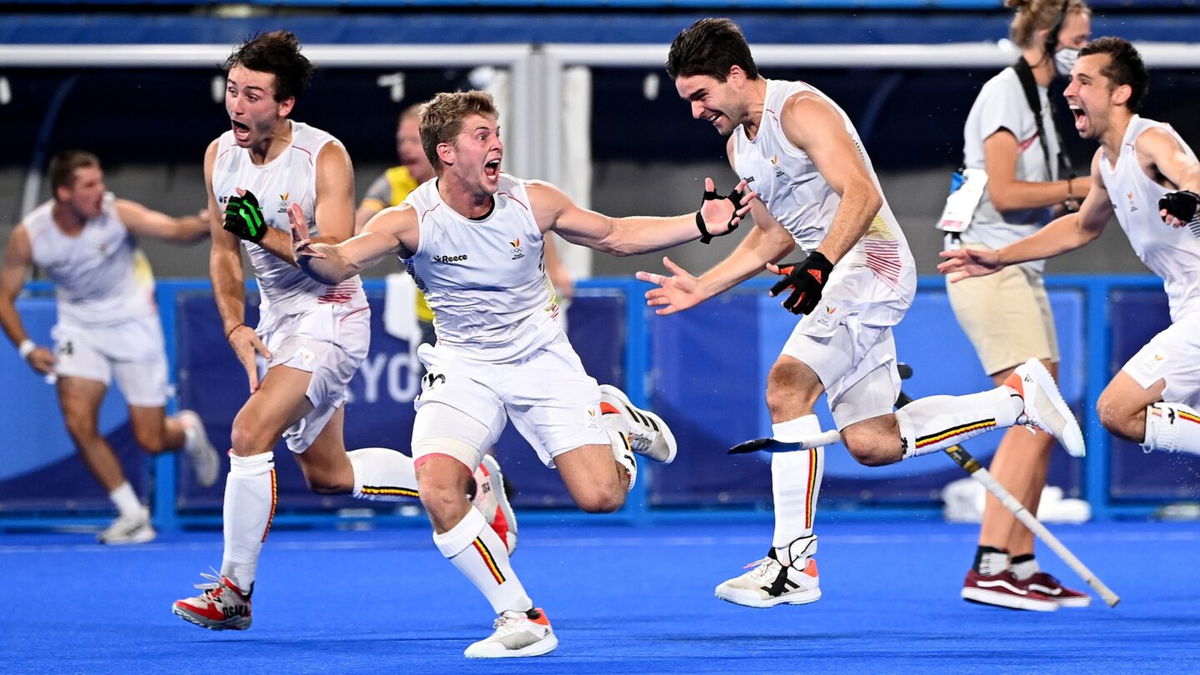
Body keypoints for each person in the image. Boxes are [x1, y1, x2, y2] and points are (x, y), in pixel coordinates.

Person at [639, 17, 1085, 610]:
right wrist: (704, 286)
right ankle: (1016, 402)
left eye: (701, 96)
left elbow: (863, 194)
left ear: (737, 75)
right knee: (872, 443)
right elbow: (771, 239)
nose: (695, 111)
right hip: (838, 279)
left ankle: (791, 562)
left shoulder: (799, 110)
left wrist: (820, 262)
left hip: (871, 265)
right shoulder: (738, 145)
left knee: (786, 388)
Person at [290, 90, 749, 658]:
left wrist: (699, 223)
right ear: (446, 152)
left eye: (496, 132)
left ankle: (615, 424)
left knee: (602, 498)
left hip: (542, 364)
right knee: (437, 488)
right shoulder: (409, 220)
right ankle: (520, 615)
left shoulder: (532, 202)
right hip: (462, 367)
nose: (497, 144)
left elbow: (613, 234)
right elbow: (343, 258)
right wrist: (309, 253)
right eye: (481, 136)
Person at [169, 32, 515, 633]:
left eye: (253, 94)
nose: (237, 106)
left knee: (249, 432)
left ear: (285, 104)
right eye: (232, 91)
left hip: (331, 312)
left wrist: (264, 233)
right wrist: (233, 323)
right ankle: (469, 479)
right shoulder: (218, 156)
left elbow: (332, 254)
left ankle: (233, 591)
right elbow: (225, 253)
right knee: (329, 476)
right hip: (277, 320)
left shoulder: (324, 157)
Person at [941, 39, 1200, 481]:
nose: (1068, 90)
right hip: (1186, 308)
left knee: (1118, 409)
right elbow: (1082, 226)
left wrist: (1189, 196)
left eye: (1085, 80)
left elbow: (1189, 171)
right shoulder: (1105, 163)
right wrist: (1000, 257)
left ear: (1120, 93)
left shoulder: (1150, 138)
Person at [940, 0, 1093, 611]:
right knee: (1031, 411)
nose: (1086, 52)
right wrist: (1090, 185)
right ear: (1048, 37)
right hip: (988, 267)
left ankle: (1022, 564)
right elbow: (1004, 194)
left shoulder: (1041, 104)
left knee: (1044, 418)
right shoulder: (1007, 91)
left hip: (1021, 269)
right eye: (1079, 40)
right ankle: (990, 566)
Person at [0, 150, 219, 545]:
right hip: (79, 330)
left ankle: (185, 432)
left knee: (150, 440)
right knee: (78, 422)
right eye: (89, 185)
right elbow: (4, 297)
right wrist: (27, 348)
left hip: (135, 325)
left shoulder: (117, 213)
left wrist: (207, 223)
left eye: (101, 181)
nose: (101, 192)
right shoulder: (30, 235)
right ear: (64, 193)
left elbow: (173, 230)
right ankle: (133, 515)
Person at [355, 103, 574, 346]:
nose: (406, 149)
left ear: (439, 148)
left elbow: (531, 222)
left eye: (414, 141)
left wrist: (555, 268)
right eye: (401, 141)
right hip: (438, 316)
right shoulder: (392, 182)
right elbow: (361, 224)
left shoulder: (484, 182)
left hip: (498, 318)